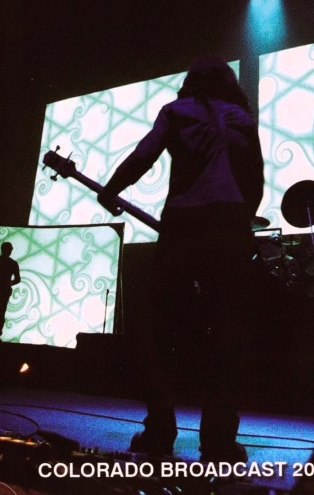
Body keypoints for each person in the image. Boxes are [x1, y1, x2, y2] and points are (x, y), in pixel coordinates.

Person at [98, 57, 264, 463]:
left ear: (190, 82)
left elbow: (143, 155)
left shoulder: (175, 111)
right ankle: (219, 440)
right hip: (229, 224)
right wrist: (241, 221)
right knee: (229, 331)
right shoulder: (242, 118)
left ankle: (159, 431)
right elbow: (255, 179)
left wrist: (110, 189)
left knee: (159, 328)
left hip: (184, 223)